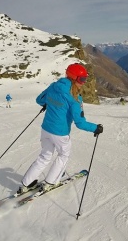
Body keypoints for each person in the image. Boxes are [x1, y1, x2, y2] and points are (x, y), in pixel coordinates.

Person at [17, 63, 103, 195]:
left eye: (85, 79)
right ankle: (50, 182)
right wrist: (95, 128)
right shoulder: (75, 98)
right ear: (74, 78)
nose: (83, 83)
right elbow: (80, 123)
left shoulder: (54, 86)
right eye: (82, 79)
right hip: (60, 133)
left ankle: (26, 184)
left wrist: (49, 103)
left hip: (46, 129)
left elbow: (40, 99)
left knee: (45, 156)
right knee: (63, 155)